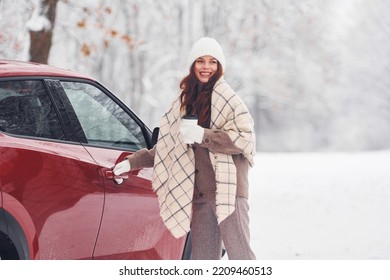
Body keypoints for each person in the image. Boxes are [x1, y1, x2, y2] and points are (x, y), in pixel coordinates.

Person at [113, 37, 256, 260]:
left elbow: (243, 140)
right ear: (192, 65)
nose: (206, 67)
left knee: (241, 257)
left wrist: (203, 135)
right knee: (202, 260)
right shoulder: (183, 102)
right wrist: (133, 161)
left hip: (229, 191)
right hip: (200, 193)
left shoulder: (231, 101)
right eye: (200, 61)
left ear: (219, 67)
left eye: (212, 62)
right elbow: (168, 147)